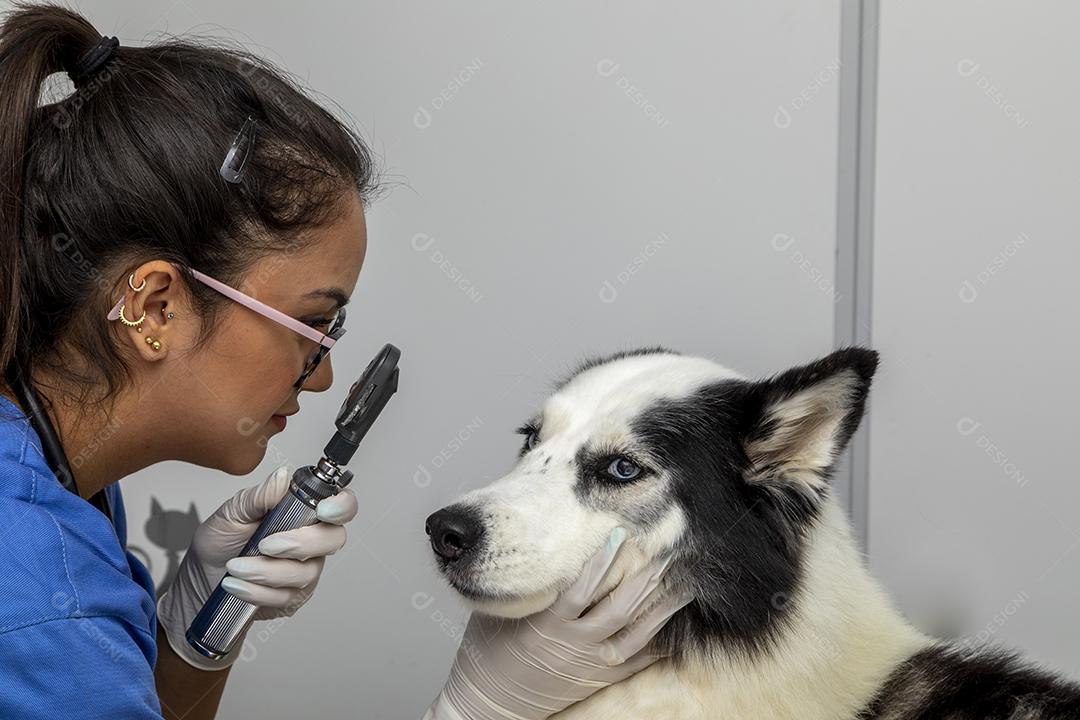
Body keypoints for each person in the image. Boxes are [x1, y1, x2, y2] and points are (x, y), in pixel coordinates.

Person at [0, 4, 689, 719]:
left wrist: (198, 633)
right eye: (311, 326)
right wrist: (476, 709)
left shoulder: (58, 476)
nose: (324, 376)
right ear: (155, 309)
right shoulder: (47, 608)